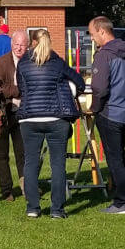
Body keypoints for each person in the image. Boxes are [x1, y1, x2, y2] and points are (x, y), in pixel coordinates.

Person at [14, 28, 83, 219]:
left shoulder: (23, 62)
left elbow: (21, 87)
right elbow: (79, 81)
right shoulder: (57, 61)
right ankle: (57, 209)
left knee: (30, 163)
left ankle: (33, 208)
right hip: (56, 118)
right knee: (58, 164)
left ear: (32, 42)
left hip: (29, 118)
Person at [86, 16, 125, 215]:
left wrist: (94, 108)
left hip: (109, 112)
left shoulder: (104, 55)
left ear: (102, 31)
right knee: (120, 155)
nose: (92, 39)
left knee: (114, 158)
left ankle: (121, 202)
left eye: (92, 35)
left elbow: (99, 88)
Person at [0, 32, 25, 201]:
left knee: (24, 153)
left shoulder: (30, 62)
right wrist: (16, 90)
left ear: (27, 45)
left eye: (22, 45)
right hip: (2, 113)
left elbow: (30, 86)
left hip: (23, 114)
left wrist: (9, 89)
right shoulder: (2, 62)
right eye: (16, 44)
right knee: (1, 155)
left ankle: (27, 187)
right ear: (11, 44)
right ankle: (6, 190)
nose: (19, 48)